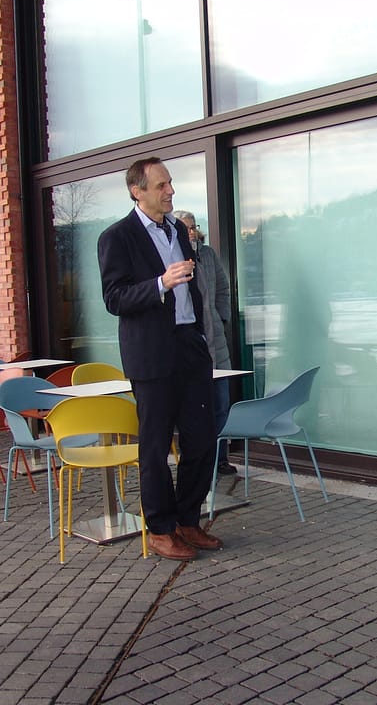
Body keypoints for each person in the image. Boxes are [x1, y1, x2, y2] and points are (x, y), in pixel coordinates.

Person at [97, 158, 222, 561]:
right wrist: (160, 283)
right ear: (137, 191)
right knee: (154, 447)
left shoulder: (178, 231)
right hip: (151, 355)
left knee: (201, 438)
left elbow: (193, 289)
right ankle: (161, 529)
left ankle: (188, 519)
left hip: (189, 347)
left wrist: (200, 333)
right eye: (161, 185)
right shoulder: (117, 237)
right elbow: (114, 298)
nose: (170, 191)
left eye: (170, 183)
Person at [172, 209, 236, 476]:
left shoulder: (207, 255)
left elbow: (223, 288)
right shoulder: (172, 257)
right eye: (184, 228)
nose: (190, 232)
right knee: (194, 410)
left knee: (221, 404)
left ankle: (220, 459)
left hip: (216, 344)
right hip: (189, 345)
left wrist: (221, 318)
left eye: (192, 227)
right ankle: (198, 462)